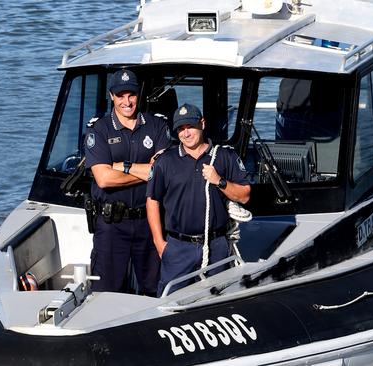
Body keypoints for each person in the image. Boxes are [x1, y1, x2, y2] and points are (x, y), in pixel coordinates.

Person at [146, 103, 251, 296]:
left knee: (219, 303)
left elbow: (244, 196)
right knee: (170, 305)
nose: (186, 133)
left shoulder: (225, 156)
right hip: (178, 248)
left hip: (216, 246)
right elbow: (152, 201)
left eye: (190, 127)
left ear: (202, 123)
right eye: (180, 129)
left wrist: (219, 181)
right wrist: (159, 243)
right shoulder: (165, 161)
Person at [84, 69, 171, 295]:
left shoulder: (158, 127)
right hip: (112, 225)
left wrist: (120, 166)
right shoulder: (99, 130)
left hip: (149, 221)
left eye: (131, 94)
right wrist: (146, 171)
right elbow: (103, 179)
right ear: (112, 96)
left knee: (156, 290)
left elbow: (162, 173)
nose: (127, 101)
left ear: (138, 94)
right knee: (106, 292)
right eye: (120, 95)